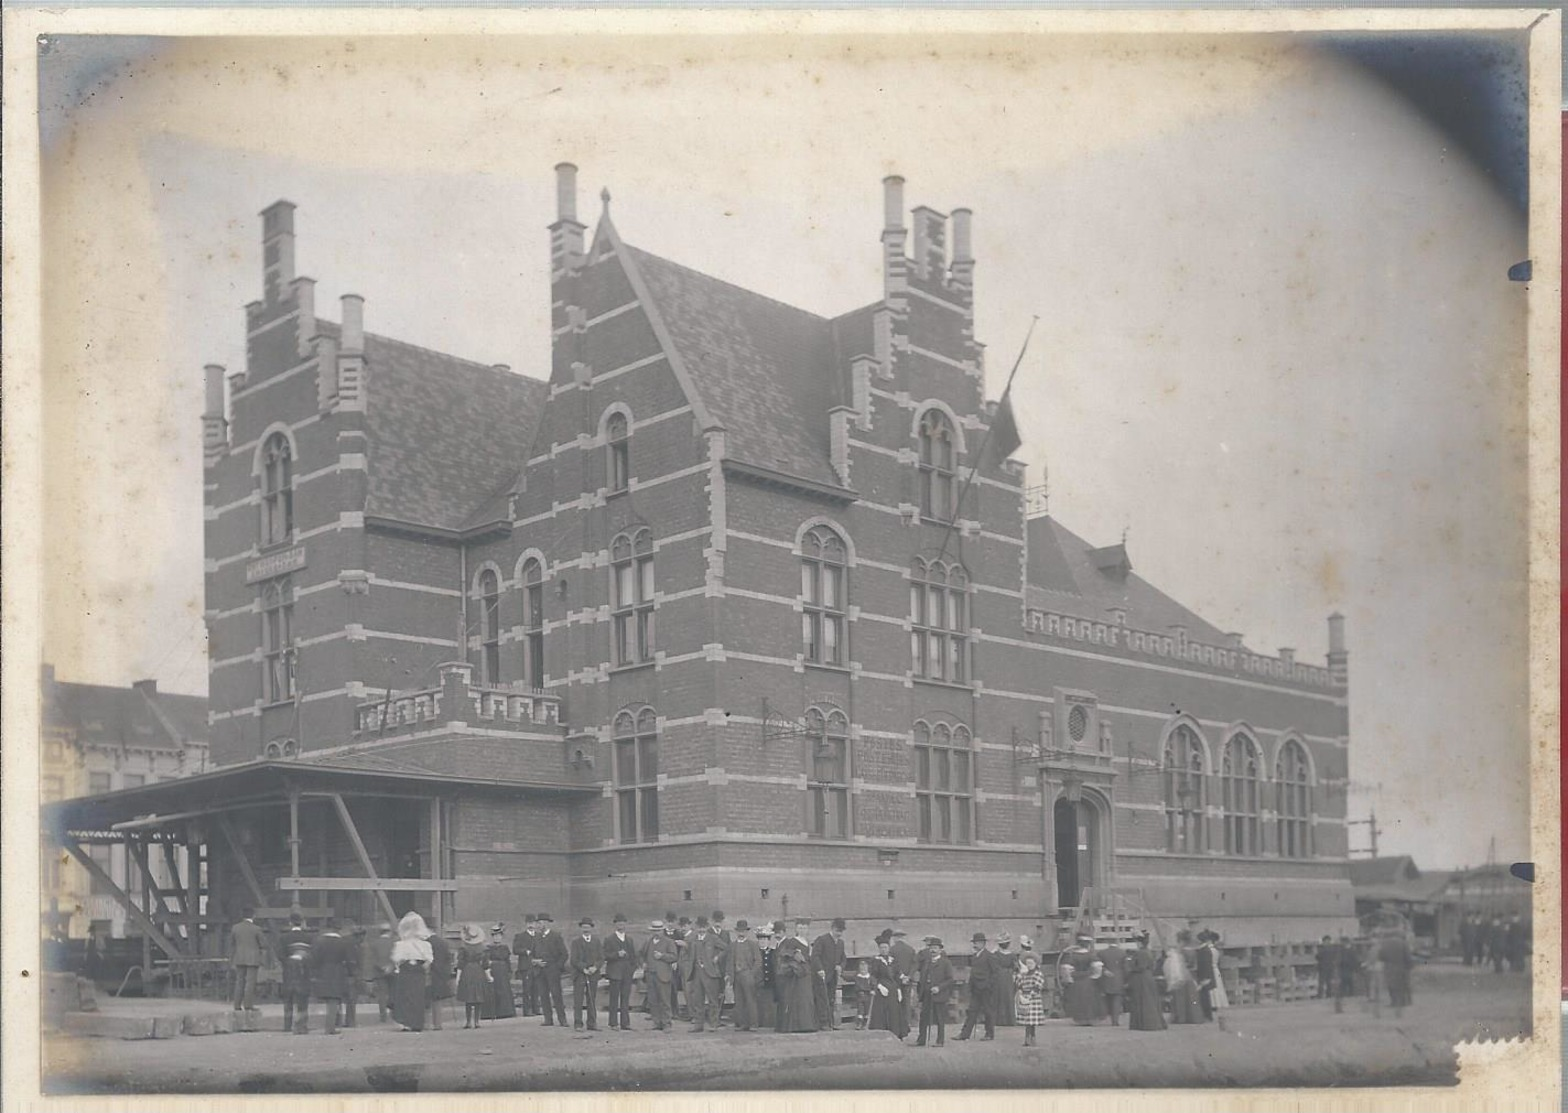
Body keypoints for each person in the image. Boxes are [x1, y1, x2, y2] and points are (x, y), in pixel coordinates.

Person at [681, 915, 728, 1032]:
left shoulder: (712, 938)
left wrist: (717, 957)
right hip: (696, 973)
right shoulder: (693, 939)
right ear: (696, 927)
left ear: (707, 927)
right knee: (698, 1000)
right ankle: (698, 1025)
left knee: (713, 1000)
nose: (701, 929)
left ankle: (713, 1024)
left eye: (703, 927)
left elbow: (726, 948)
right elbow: (688, 950)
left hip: (710, 973)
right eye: (699, 927)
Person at [311, 917, 355, 1035]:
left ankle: (332, 1024)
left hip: (323, 971)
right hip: (337, 971)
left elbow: (315, 959)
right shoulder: (344, 942)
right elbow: (350, 960)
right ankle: (330, 1027)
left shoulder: (319, 941)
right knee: (334, 999)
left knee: (328, 999)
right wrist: (351, 973)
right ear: (339, 929)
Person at [390, 911, 433, 1031]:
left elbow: (396, 960)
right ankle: (417, 1023)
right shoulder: (425, 945)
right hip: (418, 971)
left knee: (406, 997)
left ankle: (407, 1023)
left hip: (406, 970)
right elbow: (429, 960)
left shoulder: (401, 944)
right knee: (418, 997)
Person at [775, 920, 820, 1033]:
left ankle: (807, 1024)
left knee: (807, 998)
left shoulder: (807, 942)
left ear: (808, 929)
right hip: (797, 975)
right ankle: (796, 1026)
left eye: (804, 928)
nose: (802, 930)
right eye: (800, 928)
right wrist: (795, 955)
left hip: (806, 974)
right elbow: (784, 953)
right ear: (796, 929)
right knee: (797, 999)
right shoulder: (792, 941)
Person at [915, 938, 956, 1047]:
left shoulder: (945, 963)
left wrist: (939, 988)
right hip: (927, 993)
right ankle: (921, 1040)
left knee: (939, 1018)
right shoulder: (927, 962)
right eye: (931, 948)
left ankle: (940, 1041)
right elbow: (922, 978)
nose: (933, 950)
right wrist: (921, 992)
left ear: (940, 950)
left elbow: (950, 979)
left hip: (939, 994)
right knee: (924, 1017)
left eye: (935, 948)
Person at [278, 912, 314, 1035]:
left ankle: (287, 1025)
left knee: (288, 998)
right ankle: (301, 1025)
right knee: (302, 999)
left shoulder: (284, 938)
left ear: (290, 923)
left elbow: (280, 956)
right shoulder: (309, 938)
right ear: (302, 922)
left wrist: (288, 962)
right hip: (303, 971)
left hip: (289, 971)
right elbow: (312, 956)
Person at [956, 933, 997, 1040]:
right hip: (975, 989)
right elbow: (972, 972)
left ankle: (989, 1034)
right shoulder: (974, 957)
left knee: (988, 1011)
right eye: (974, 943)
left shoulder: (989, 956)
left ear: (983, 944)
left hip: (986, 989)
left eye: (977, 943)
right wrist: (970, 986)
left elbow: (995, 973)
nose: (975, 945)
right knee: (972, 1011)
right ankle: (964, 1034)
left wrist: (989, 985)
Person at [640, 919, 679, 1031]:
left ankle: (667, 1024)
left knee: (665, 1000)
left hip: (663, 975)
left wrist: (662, 956)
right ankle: (657, 1022)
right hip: (650, 975)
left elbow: (674, 957)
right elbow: (641, 954)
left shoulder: (669, 942)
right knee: (653, 1000)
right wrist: (643, 963)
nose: (656, 932)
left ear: (662, 931)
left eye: (658, 930)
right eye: (654, 930)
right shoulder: (648, 942)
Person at [1125, 932, 1166, 1031]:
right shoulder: (1148, 951)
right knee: (1149, 999)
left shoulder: (1141, 952)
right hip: (1148, 977)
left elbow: (1141, 967)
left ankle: (1146, 1023)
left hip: (1141, 978)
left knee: (1144, 999)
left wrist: (1130, 966)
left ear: (1139, 942)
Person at [602, 914, 637, 1030]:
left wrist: (632, 969)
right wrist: (617, 954)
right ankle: (613, 1023)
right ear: (615, 925)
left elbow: (633, 957)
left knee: (625, 998)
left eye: (622, 923)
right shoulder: (609, 939)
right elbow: (604, 955)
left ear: (625, 925)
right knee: (614, 998)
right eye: (618, 923)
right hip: (615, 973)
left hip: (627, 973)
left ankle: (625, 1023)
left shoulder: (629, 939)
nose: (621, 925)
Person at [229, 906, 266, 1012]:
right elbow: (263, 944)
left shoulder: (235, 928)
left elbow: (232, 944)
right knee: (250, 982)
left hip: (239, 958)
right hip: (253, 959)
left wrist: (231, 959)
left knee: (239, 981)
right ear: (253, 916)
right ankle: (248, 1005)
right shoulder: (256, 929)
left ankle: (236, 1005)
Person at [534, 913, 568, 1026]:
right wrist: (536, 962)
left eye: (541, 923)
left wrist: (556, 968)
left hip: (553, 971)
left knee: (556, 995)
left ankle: (562, 1019)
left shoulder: (556, 936)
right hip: (540, 971)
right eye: (538, 923)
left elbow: (564, 954)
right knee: (543, 995)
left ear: (547, 923)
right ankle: (548, 1019)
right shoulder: (536, 937)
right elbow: (532, 955)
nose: (539, 925)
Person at [813, 918, 848, 1030]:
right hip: (822, 976)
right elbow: (815, 956)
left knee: (831, 999)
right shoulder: (822, 940)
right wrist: (819, 969)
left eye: (841, 931)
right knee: (822, 999)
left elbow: (843, 958)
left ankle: (831, 1022)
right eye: (838, 931)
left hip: (833, 976)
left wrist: (840, 966)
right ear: (832, 928)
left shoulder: (841, 943)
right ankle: (823, 1023)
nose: (839, 934)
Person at [570, 917, 604, 1031]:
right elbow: (574, 959)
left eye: (588, 927)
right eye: (584, 927)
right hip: (580, 975)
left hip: (593, 974)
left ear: (591, 928)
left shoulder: (596, 941)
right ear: (581, 928)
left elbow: (601, 958)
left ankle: (592, 1023)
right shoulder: (576, 942)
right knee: (578, 1000)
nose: (586, 929)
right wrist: (583, 968)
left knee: (591, 999)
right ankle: (578, 1024)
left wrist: (595, 967)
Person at [456, 923, 491, 1029]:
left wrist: (458, 977)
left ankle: (468, 1022)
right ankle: (477, 1022)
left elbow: (460, 964)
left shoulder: (463, 947)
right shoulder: (483, 948)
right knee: (478, 997)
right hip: (478, 971)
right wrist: (489, 976)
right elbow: (486, 964)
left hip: (467, 971)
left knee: (468, 998)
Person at [1061, 934, 1102, 1026]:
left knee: (1078, 999)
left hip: (1076, 980)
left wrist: (1069, 978)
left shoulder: (1072, 956)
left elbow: (1066, 968)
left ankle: (1080, 1019)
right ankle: (1089, 1019)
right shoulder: (1091, 955)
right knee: (1089, 1000)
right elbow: (1098, 966)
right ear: (1087, 944)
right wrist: (1095, 976)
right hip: (1087, 979)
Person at [729, 919, 762, 1032]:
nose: (741, 933)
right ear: (736, 932)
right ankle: (743, 1024)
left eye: (743, 931)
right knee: (739, 1001)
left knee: (750, 1000)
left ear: (746, 932)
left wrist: (751, 974)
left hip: (747, 974)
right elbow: (730, 961)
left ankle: (753, 1024)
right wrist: (729, 975)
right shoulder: (733, 945)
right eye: (739, 931)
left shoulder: (752, 945)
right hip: (736, 976)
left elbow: (758, 961)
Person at [868, 938, 903, 1036]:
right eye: (881, 947)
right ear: (879, 949)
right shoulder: (876, 961)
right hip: (882, 991)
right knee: (881, 1013)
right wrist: (878, 986)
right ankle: (881, 1034)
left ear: (889, 948)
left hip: (893, 990)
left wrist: (899, 989)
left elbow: (897, 975)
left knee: (894, 1013)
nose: (883, 949)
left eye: (885, 947)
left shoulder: (893, 961)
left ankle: (896, 1033)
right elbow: (872, 976)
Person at [1196, 930, 1229, 1029]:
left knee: (1210, 990)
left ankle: (1212, 1007)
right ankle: (1217, 1004)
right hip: (1215, 969)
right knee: (1217, 988)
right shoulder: (1214, 950)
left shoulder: (1206, 950)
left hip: (1211, 970)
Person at [1164, 935, 1201, 1024]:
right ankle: (1190, 1017)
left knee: (1180, 999)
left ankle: (1181, 1017)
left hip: (1180, 975)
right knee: (1189, 998)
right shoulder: (1189, 951)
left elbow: (1175, 967)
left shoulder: (1178, 954)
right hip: (1187, 975)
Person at [365, 921, 395, 1024]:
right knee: (393, 993)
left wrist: (381, 967)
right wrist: (390, 966)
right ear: (390, 931)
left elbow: (371, 959)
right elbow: (397, 956)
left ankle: (383, 1016)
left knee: (382, 995)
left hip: (379, 972)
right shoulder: (394, 943)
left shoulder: (374, 944)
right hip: (393, 971)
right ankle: (393, 1014)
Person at [1015, 952, 1047, 1047]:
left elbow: (1038, 987)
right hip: (1024, 998)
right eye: (1027, 963)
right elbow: (1019, 985)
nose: (1029, 965)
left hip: (1033, 999)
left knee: (1031, 1022)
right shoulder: (1024, 975)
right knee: (1027, 1021)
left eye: (1031, 963)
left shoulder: (1038, 974)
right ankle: (1028, 1038)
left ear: (1035, 964)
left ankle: (1031, 1038)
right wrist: (1021, 991)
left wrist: (1030, 995)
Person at [1379, 931, 1413, 1015]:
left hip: (1389, 967)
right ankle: (1403, 1002)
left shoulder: (1384, 944)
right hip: (1401, 966)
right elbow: (1408, 956)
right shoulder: (1403, 943)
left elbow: (1381, 956)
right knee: (1402, 984)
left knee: (1391, 985)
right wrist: (1409, 966)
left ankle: (1393, 1001)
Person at [427, 923, 454, 1031]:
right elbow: (448, 959)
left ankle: (426, 1023)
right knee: (437, 1000)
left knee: (426, 1000)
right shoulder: (443, 943)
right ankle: (438, 1024)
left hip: (429, 973)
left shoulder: (426, 943)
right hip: (441, 974)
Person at [1097, 937, 1127, 1027]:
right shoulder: (1122, 953)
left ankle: (1104, 1017)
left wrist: (1104, 971)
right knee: (1117, 999)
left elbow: (1098, 966)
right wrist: (1125, 980)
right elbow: (1125, 968)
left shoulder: (1101, 953)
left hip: (1106, 978)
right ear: (1117, 941)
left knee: (1105, 999)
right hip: (1118, 978)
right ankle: (1115, 1021)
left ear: (1108, 942)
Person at [513, 916, 539, 1017]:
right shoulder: (520, 936)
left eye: (532, 923)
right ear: (526, 924)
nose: (531, 925)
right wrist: (525, 951)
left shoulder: (538, 936)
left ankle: (536, 1008)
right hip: (526, 966)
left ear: (535, 924)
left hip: (537, 966)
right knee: (527, 988)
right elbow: (515, 950)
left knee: (536, 988)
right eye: (529, 923)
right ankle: (527, 1010)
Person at [756, 923, 779, 1031]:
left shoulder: (773, 953)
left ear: (769, 941)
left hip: (770, 982)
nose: (763, 942)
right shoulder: (755, 953)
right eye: (761, 940)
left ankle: (769, 1023)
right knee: (759, 1003)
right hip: (758, 983)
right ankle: (759, 1022)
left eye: (765, 940)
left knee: (770, 1004)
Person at [994, 933, 1018, 1026]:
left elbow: (994, 966)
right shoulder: (1012, 955)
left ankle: (999, 1020)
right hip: (1008, 977)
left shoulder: (996, 954)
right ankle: (1009, 1020)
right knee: (1009, 997)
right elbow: (1016, 967)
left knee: (999, 997)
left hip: (999, 977)